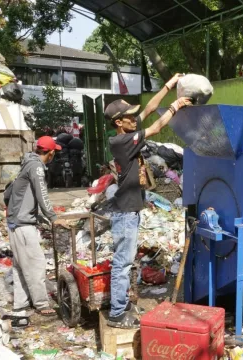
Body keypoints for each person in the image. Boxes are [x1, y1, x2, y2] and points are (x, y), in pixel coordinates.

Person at [105, 73, 191, 329]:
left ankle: (122, 303)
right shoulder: (122, 141)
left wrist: (169, 85)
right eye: (130, 116)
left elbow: (151, 108)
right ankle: (117, 313)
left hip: (130, 210)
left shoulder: (127, 128)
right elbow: (156, 127)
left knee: (126, 261)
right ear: (119, 122)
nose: (135, 118)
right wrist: (175, 107)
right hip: (125, 212)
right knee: (122, 264)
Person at [4, 136, 68, 316]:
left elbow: (18, 195)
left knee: (20, 266)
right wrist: (53, 217)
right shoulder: (36, 167)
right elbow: (42, 194)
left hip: (16, 222)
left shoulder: (27, 163)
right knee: (36, 263)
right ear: (51, 153)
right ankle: (41, 304)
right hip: (22, 225)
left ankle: (21, 304)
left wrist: (39, 217)